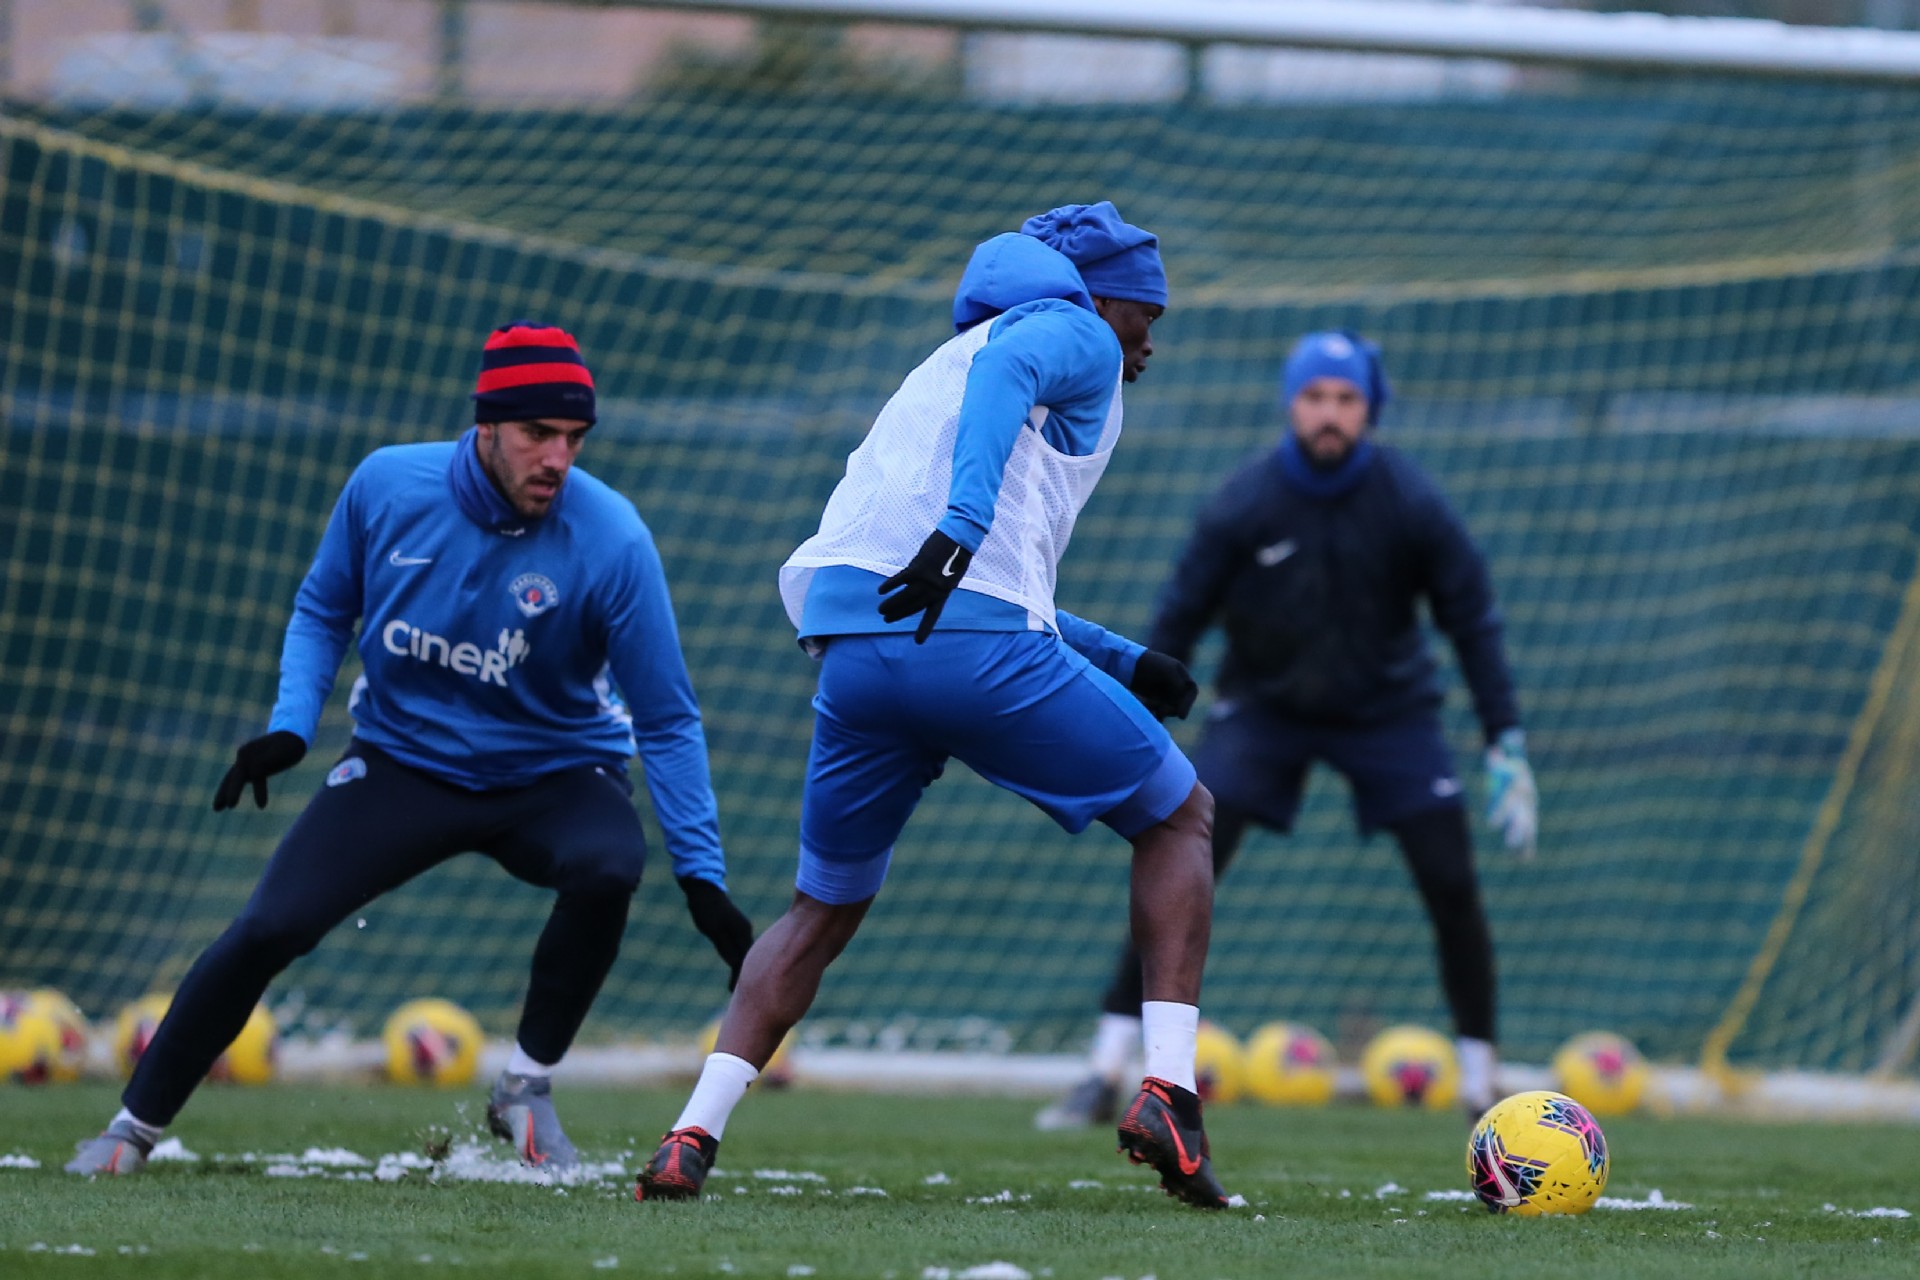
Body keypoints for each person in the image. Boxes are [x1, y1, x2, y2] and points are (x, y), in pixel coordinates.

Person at [633, 203, 1231, 1210]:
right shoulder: (1069, 329)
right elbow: (969, 558)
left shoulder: (944, 363)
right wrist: (962, 525)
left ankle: (692, 1130)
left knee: (818, 911)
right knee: (1182, 815)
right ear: (1098, 292)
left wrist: (1124, 657)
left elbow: (967, 581)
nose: (1150, 338)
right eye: (1148, 309)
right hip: (967, 647)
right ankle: (1169, 1087)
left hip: (860, 660)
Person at [66, 322, 754, 1176]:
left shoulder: (614, 539)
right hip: (403, 761)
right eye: (538, 434)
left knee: (609, 865)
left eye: (573, 439)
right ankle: (129, 1129)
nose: (557, 459)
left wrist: (702, 878)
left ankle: (526, 1090)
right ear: (487, 424)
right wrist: (290, 723)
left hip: (555, 771)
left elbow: (669, 717)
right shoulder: (386, 485)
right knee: (268, 926)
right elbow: (323, 610)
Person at [1034, 330, 1537, 1129]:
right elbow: (1177, 621)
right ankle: (1104, 1070)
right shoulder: (1244, 501)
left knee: (1452, 881)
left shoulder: (1412, 501)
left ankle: (1482, 1080)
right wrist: (1138, 714)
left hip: (1391, 714)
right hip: (1263, 711)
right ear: (1291, 404)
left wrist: (1504, 740)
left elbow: (1472, 619)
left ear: (1369, 407)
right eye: (1314, 398)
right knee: (1179, 859)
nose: (1329, 414)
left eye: (1345, 398)